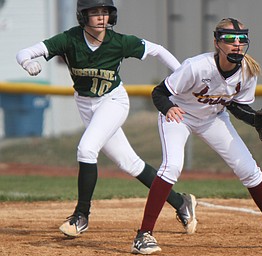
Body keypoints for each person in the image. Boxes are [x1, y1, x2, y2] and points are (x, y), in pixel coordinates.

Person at [16, 0, 197, 238]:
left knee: (86, 149)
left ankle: (81, 215)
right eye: (95, 12)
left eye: (105, 12)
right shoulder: (70, 39)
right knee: (130, 164)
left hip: (113, 102)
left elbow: (158, 50)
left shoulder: (118, 42)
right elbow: (24, 52)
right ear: (83, 16)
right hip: (86, 106)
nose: (101, 17)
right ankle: (181, 202)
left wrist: (182, 78)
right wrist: (28, 62)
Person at [131, 18, 262, 254]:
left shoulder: (248, 72)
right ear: (217, 42)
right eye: (230, 39)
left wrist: (255, 120)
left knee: (249, 170)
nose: (237, 44)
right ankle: (143, 235)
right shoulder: (197, 66)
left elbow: (235, 106)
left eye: (242, 40)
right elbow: (159, 93)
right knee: (172, 167)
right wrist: (169, 109)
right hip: (180, 116)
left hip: (213, 118)